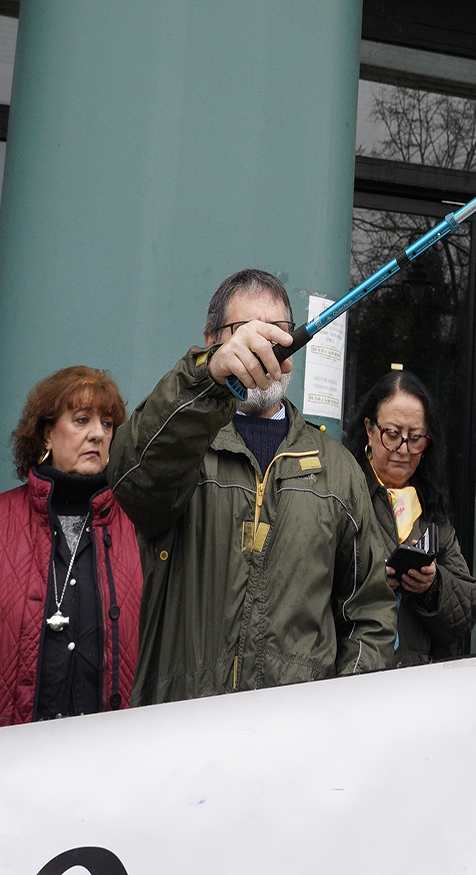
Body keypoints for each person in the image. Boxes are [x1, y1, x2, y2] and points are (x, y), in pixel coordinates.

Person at [109, 269, 395, 702]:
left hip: (295, 730)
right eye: (246, 331)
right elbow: (132, 476)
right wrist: (207, 377)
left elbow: (368, 613)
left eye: (278, 333)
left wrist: (339, 709)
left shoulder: (337, 470)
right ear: (212, 341)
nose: (263, 348)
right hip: (181, 725)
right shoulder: (183, 447)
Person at [0, 368, 141, 724]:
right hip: (16, 746)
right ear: (47, 434)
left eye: (107, 424)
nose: (98, 433)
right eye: (81, 420)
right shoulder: (4, 519)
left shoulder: (137, 525)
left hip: (114, 746)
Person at [344, 370, 476, 666]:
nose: (403, 449)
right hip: (356, 675)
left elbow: (468, 608)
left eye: (415, 438)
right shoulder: (342, 494)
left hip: (416, 680)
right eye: (392, 434)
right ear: (369, 429)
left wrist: (432, 586)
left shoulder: (429, 508)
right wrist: (371, 582)